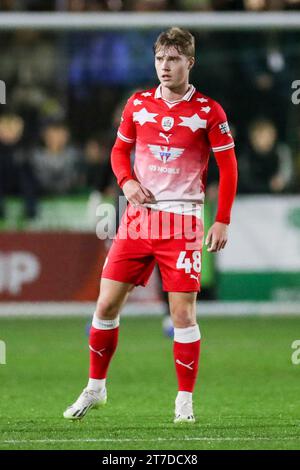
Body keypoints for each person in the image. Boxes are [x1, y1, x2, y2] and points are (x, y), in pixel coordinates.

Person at [63, 27, 238, 423]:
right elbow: (119, 150)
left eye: (174, 59)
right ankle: (95, 388)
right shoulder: (138, 104)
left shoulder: (209, 111)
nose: (165, 66)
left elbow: (228, 169)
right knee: (105, 304)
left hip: (182, 222)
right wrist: (126, 182)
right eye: (160, 59)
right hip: (139, 221)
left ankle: (184, 402)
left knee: (182, 315)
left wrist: (222, 220)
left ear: (189, 63)